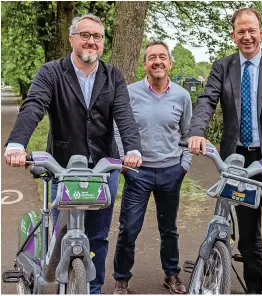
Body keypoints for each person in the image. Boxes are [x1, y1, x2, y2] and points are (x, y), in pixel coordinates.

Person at [4, 13, 142, 294]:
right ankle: (61, 282)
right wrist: (17, 144)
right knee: (64, 232)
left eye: (97, 37)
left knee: (100, 236)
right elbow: (34, 105)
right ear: (72, 39)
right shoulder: (51, 72)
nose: (91, 42)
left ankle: (92, 289)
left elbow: (124, 116)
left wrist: (133, 148)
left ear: (102, 43)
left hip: (103, 166)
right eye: (85, 35)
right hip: (64, 166)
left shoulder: (113, 75)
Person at [187, 8, 262, 294]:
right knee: (248, 238)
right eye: (241, 31)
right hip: (238, 163)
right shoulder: (223, 67)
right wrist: (197, 131)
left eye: (252, 30)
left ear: (261, 32)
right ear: (233, 35)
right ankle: (254, 290)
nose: (247, 36)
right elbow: (207, 100)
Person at [112, 41, 192, 294]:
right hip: (138, 173)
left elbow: (187, 133)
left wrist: (185, 165)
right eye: (152, 58)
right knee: (129, 228)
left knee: (169, 229)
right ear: (144, 64)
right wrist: (124, 160)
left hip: (171, 172)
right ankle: (122, 279)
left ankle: (172, 275)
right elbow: (117, 129)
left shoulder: (182, 95)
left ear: (170, 63)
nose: (157, 62)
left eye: (162, 57)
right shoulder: (129, 92)